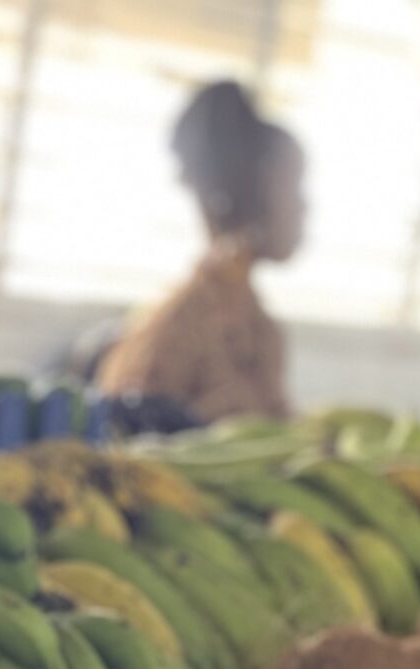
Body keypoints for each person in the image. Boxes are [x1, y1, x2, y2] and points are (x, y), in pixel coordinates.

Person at [97, 80, 306, 422]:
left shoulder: (262, 331)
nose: (304, 209)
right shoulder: (177, 331)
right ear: (255, 191)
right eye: (295, 189)